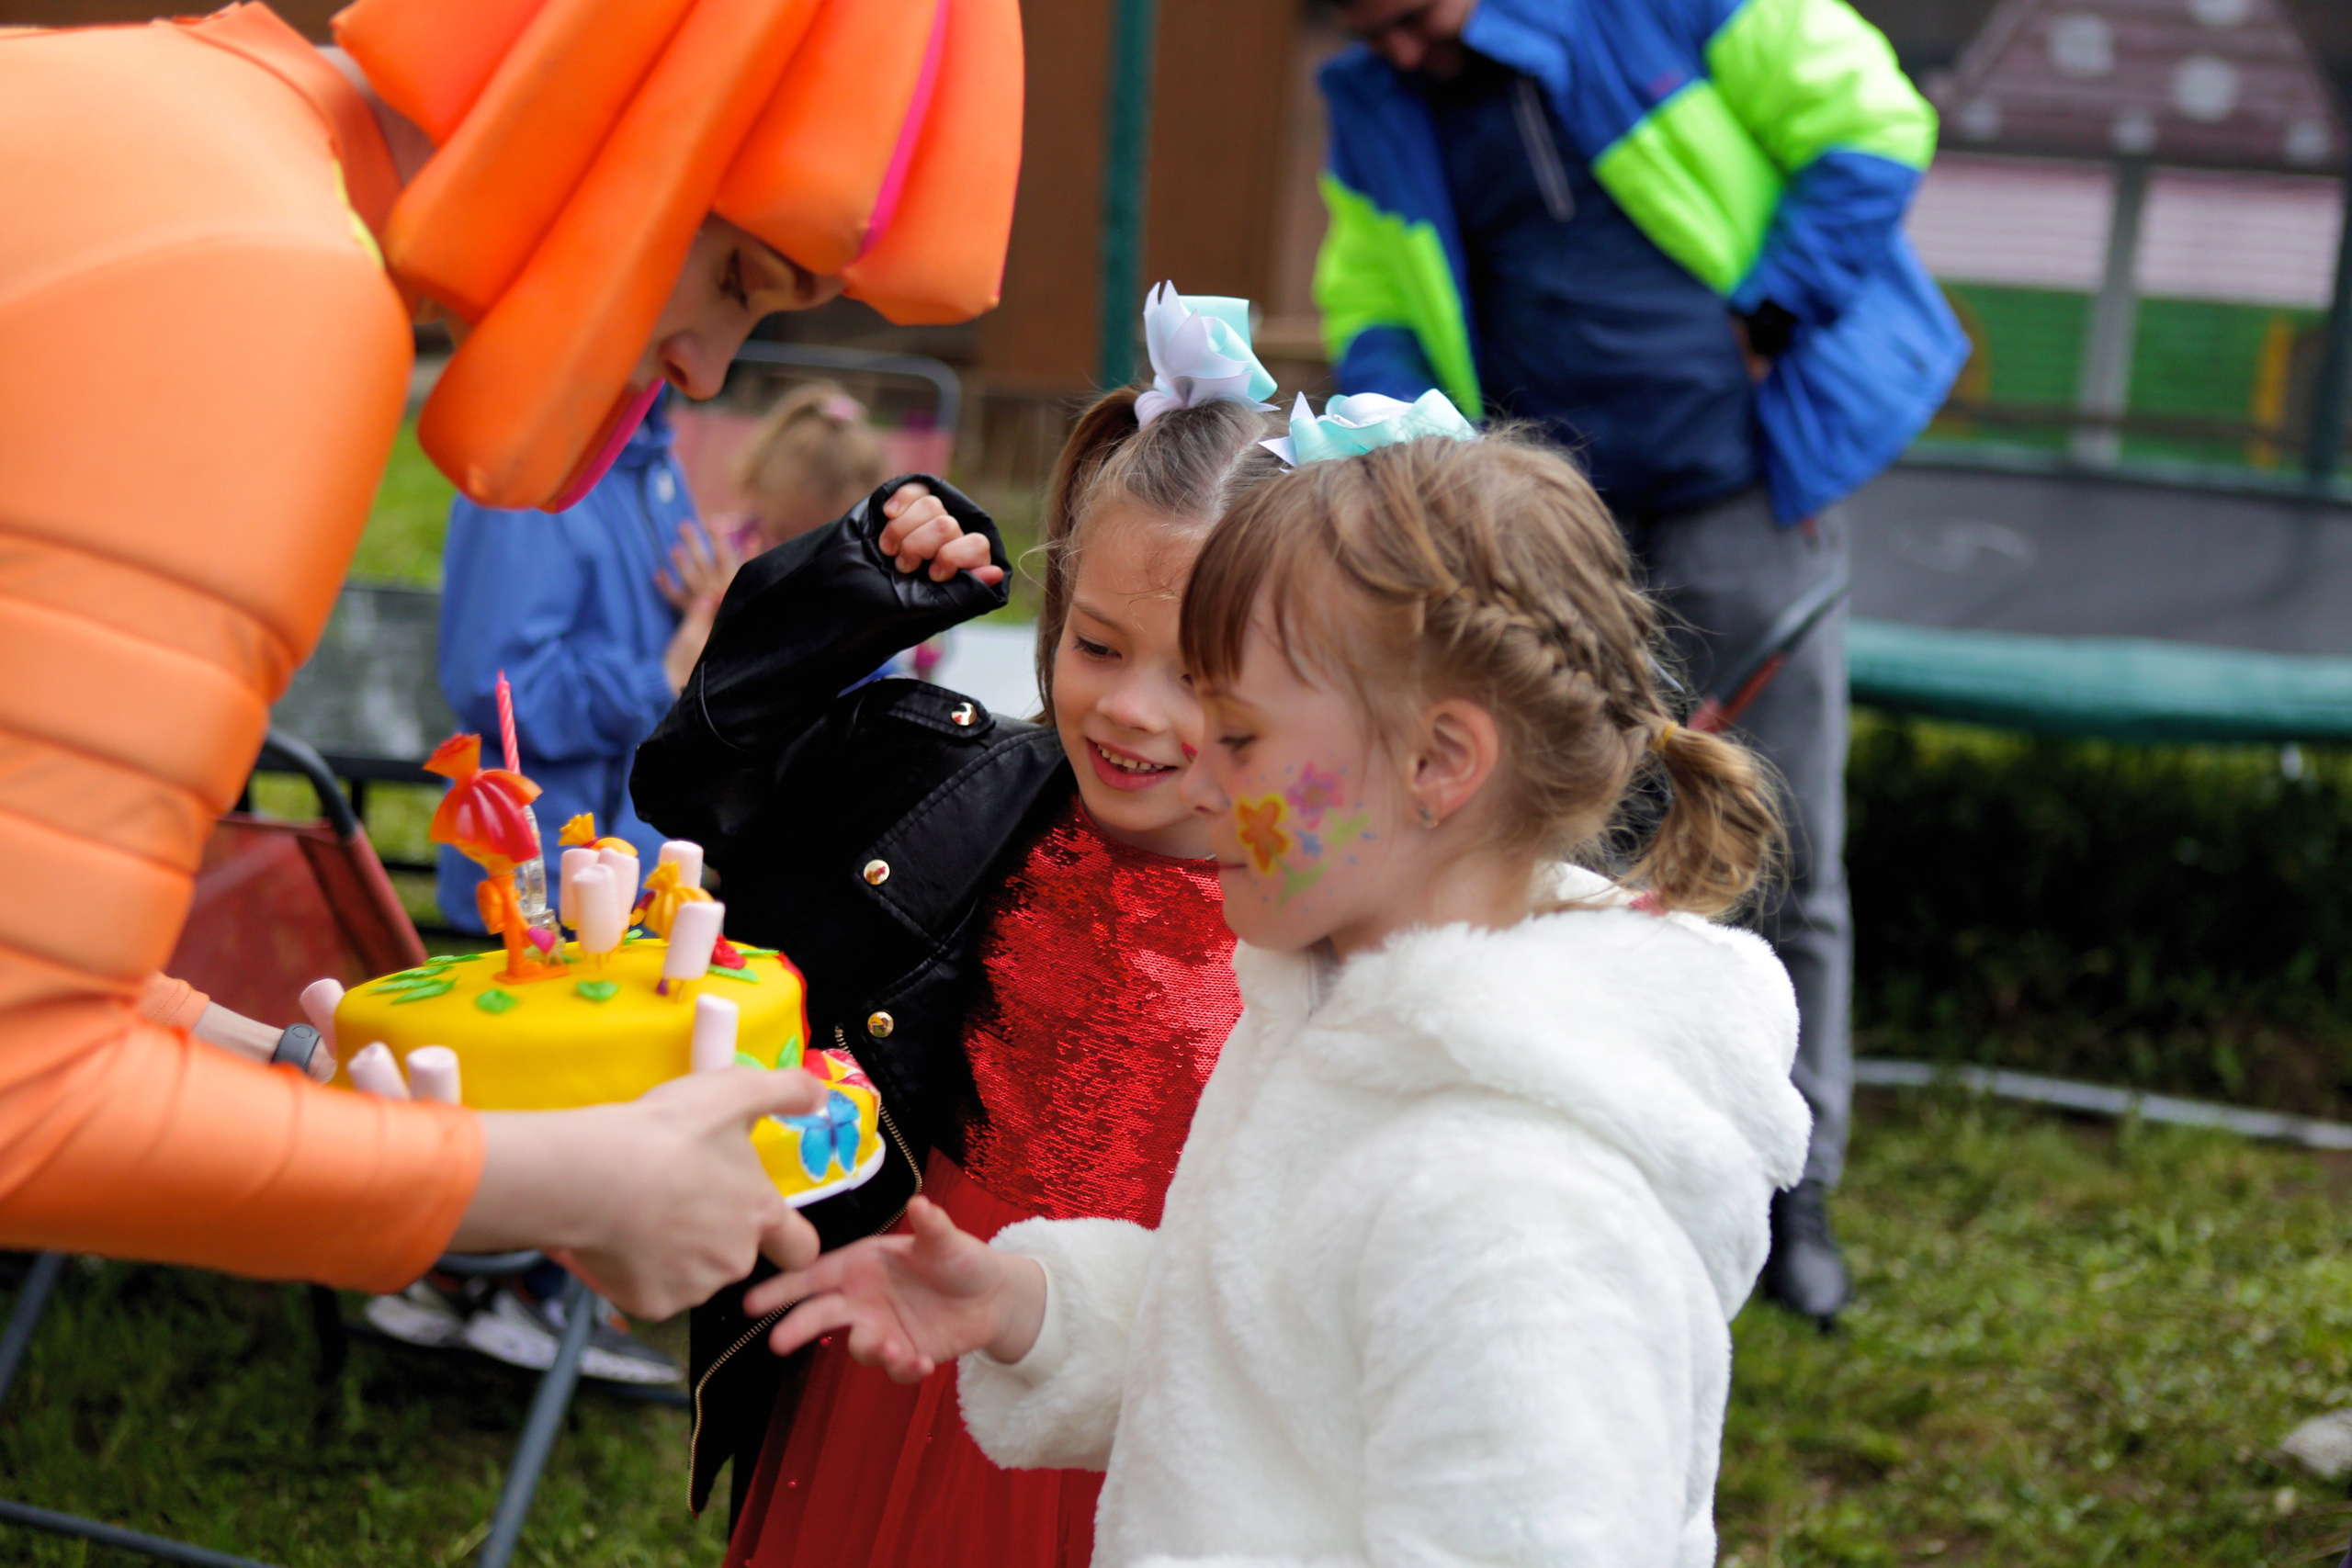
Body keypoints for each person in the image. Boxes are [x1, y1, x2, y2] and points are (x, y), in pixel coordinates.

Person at [0, 0, 1016, 1308]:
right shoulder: (279, 281)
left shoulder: (159, 108)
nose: (704, 371)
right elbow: (30, 1083)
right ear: (620, 125)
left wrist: (254, 1059)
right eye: (735, 279)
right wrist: (563, 1180)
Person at [747, 421, 1814, 1568]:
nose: (1198, 775)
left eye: (1241, 731)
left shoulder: (1518, 1204)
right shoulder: (1343, 1007)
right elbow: (1267, 1342)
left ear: (1438, 764)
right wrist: (1032, 1308)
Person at [1313, 0, 1970, 1321]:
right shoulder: (1379, 98)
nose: (1394, 45)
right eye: (1362, 22)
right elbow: (1375, 292)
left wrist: (1782, 298)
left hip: (1742, 489)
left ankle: (1798, 1188)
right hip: (1556, 521)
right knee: (1567, 845)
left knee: (1784, 839)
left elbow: (1871, 121)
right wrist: (1395, 419)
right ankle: (1602, 1157)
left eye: (1408, 14)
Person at [630, 290, 1288, 1558]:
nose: (1134, 712)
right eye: (1097, 642)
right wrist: (853, 592)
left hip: (1153, 1426)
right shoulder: (952, 799)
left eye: (1204, 676)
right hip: (905, 1350)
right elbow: (704, 780)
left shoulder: (1335, 912)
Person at [435, 388, 706, 932]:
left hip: (628, 871)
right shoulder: (533, 466)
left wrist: (709, 609)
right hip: (548, 890)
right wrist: (661, 679)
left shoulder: (649, 450)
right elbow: (500, 682)